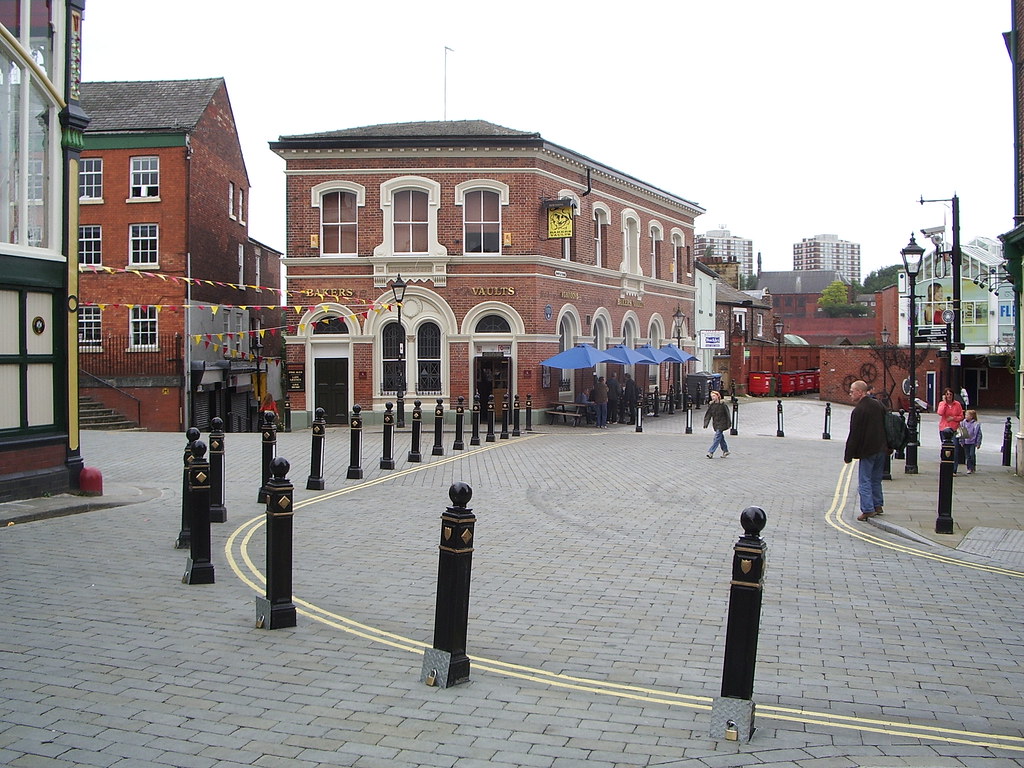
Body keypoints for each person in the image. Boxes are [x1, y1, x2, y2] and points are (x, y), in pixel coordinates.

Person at [844, 379, 888, 521]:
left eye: (852, 391)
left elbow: (854, 435)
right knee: (876, 479)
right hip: (881, 448)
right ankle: (878, 505)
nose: (850, 394)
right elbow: (886, 425)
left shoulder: (859, 410)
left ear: (860, 392)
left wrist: (848, 455)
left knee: (864, 480)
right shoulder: (878, 405)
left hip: (868, 450)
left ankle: (868, 509)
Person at [937, 387, 964, 472]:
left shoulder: (957, 404)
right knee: (945, 448)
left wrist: (953, 418)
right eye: (947, 394)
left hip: (954, 429)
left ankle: (954, 469)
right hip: (944, 429)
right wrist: (945, 403)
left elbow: (961, 416)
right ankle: (945, 466)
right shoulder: (942, 404)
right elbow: (940, 413)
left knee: (955, 448)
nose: (949, 396)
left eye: (950, 394)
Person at [703, 389, 731, 458]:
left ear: (718, 396)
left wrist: (729, 423)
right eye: (712, 396)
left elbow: (727, 414)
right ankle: (726, 450)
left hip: (722, 423)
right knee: (720, 438)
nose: (713, 397)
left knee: (717, 437)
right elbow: (708, 414)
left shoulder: (722, 405)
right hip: (716, 423)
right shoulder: (712, 405)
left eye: (714, 396)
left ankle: (711, 452)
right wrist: (706, 423)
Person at [960, 409, 983, 474]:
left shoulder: (976, 424)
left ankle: (973, 467)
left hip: (972, 442)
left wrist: (978, 443)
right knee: (967, 456)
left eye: (967, 415)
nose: (966, 416)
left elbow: (979, 434)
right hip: (966, 442)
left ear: (971, 416)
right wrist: (961, 441)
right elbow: (961, 433)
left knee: (972, 455)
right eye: (965, 415)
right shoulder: (963, 423)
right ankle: (969, 468)